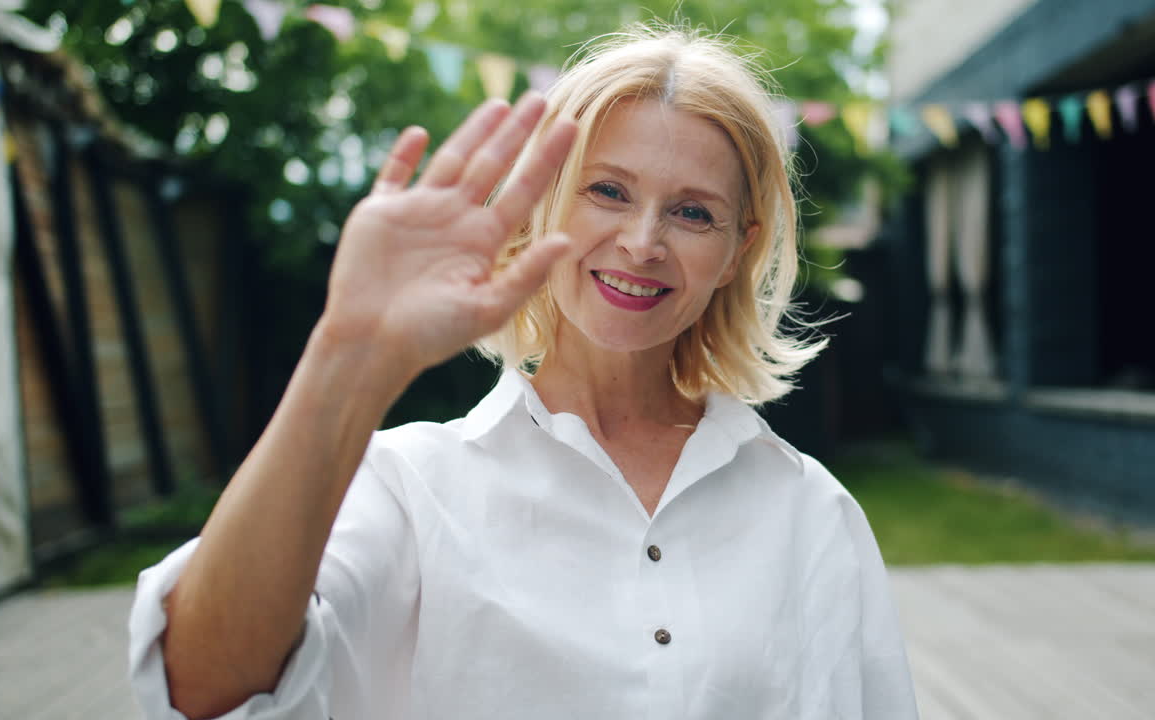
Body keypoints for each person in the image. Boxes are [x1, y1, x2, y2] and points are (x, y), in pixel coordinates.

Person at [128, 24, 918, 720]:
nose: (643, 242)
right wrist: (347, 356)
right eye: (607, 191)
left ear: (736, 249)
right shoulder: (409, 488)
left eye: (691, 212)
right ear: (544, 201)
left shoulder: (810, 510)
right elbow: (202, 688)